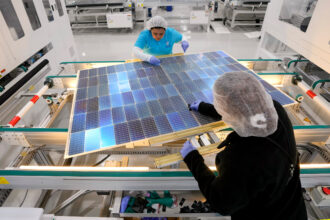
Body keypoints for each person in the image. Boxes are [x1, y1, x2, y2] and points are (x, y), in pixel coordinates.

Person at [181, 71, 307, 219]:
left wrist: (192, 159)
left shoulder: (241, 159)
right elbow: (244, 110)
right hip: (293, 208)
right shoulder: (275, 110)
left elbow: (221, 202)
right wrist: (206, 108)